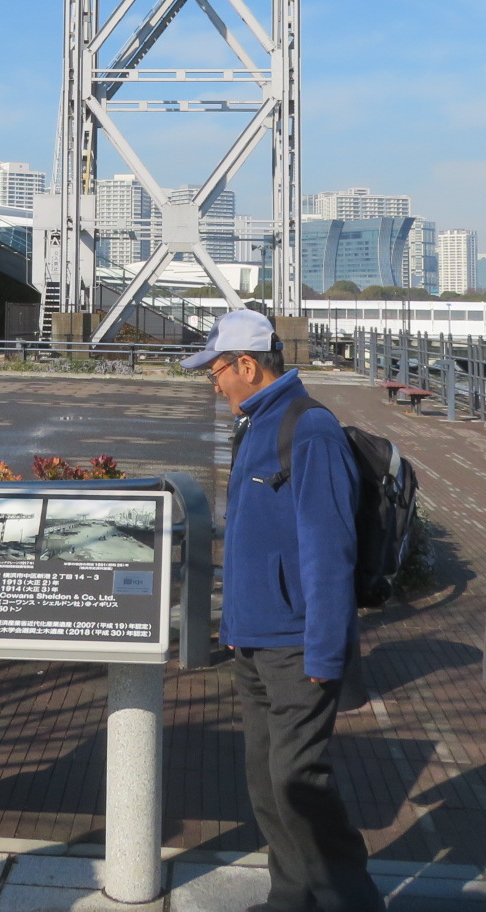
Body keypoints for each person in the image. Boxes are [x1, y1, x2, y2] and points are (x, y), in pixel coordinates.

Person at [192, 307, 379, 912]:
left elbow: (328, 548)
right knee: (267, 784)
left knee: (299, 784)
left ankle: (350, 901)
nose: (214, 384)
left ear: (247, 366)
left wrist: (326, 652)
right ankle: (291, 899)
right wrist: (233, 627)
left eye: (216, 371)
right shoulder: (255, 424)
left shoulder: (309, 428)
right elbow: (253, 538)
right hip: (253, 640)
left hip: (296, 646)